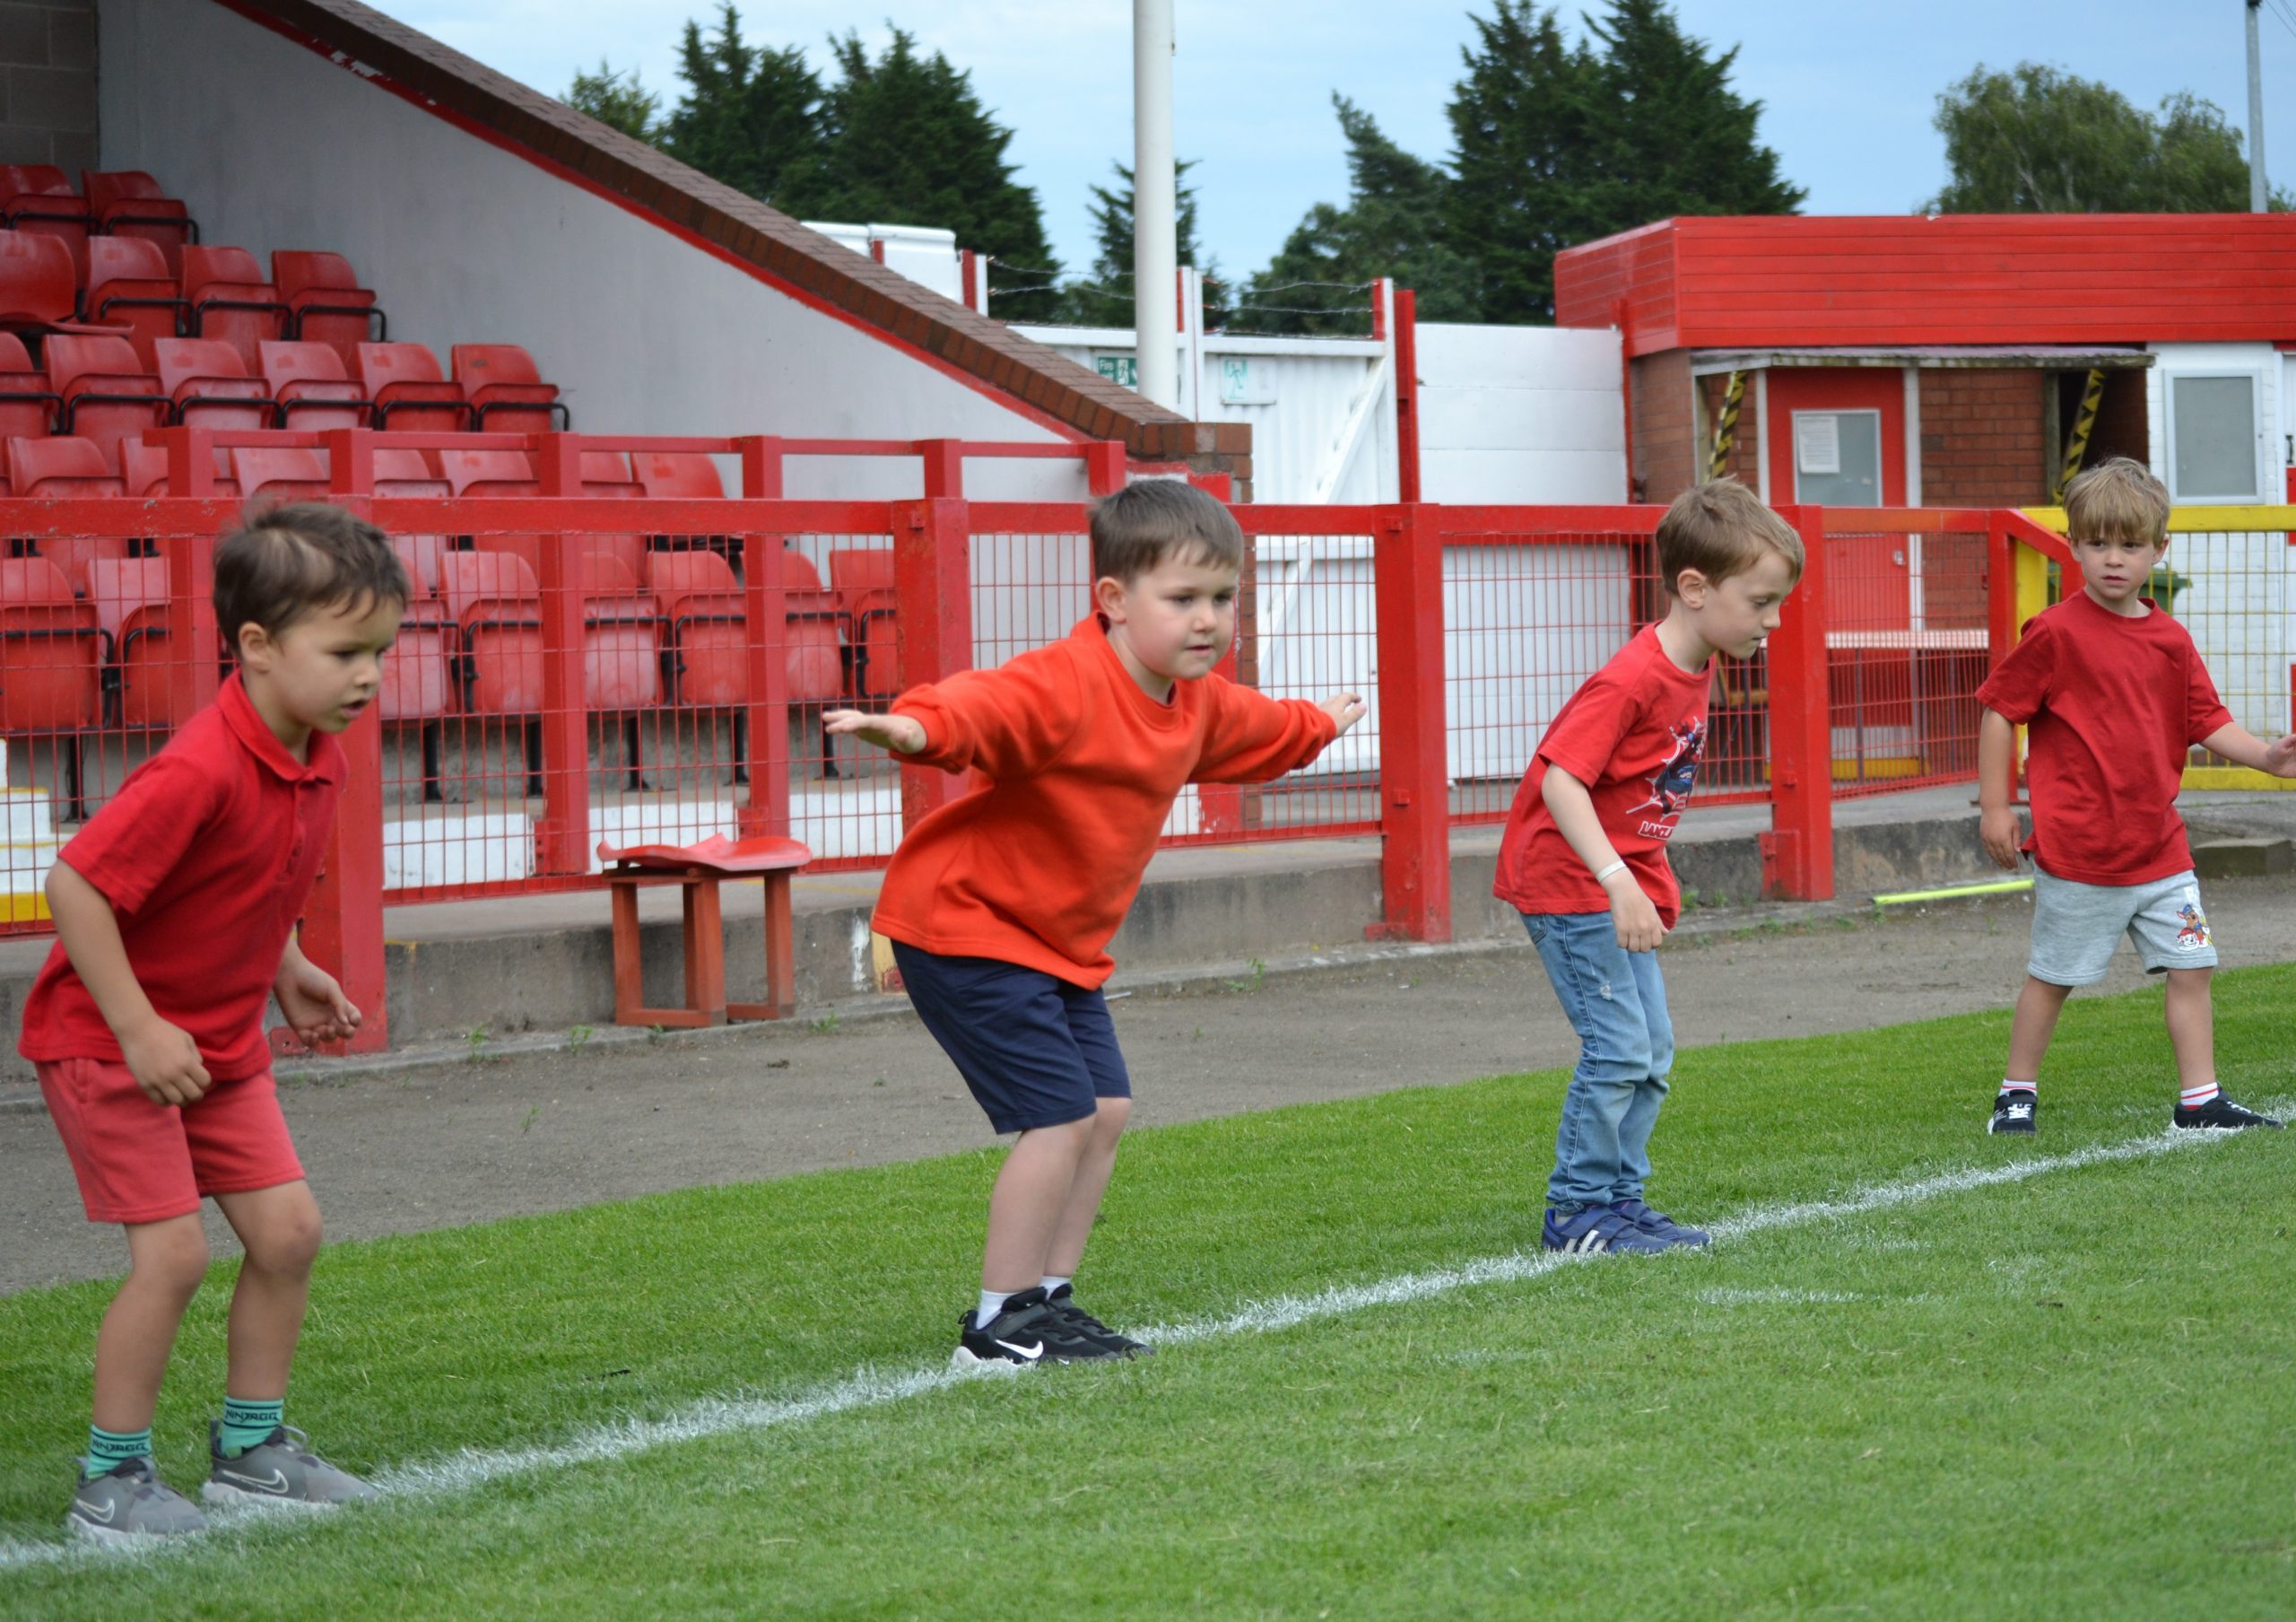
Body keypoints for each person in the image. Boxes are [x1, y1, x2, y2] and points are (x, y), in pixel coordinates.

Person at [824, 479, 1364, 1365]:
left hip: (1057, 945)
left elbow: (1262, 728)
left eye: (1222, 598)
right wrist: (915, 729)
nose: (1208, 619)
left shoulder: (1194, 701)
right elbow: (982, 708)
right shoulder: (1067, 682)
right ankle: (997, 1326)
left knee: (1106, 1107)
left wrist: (1318, 727)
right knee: (1061, 1116)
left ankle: (1048, 1300)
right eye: (1182, 598)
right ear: (1112, 600)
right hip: (961, 925)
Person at [23, 504, 406, 1542]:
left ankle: (253, 1451)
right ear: (256, 646)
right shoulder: (197, 765)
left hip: (221, 1043)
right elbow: (75, 888)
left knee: (290, 1233)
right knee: (175, 1256)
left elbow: (247, 879)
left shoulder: (316, 743)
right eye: (344, 651)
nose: (368, 674)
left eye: (380, 650)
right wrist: (142, 1027)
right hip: (114, 1043)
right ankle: (112, 1479)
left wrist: (287, 966)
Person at [1493, 479, 1804, 1254]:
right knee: (1620, 1049)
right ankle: (1575, 1213)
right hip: (1568, 885)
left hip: (1613, 883)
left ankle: (1620, 1203)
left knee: (1652, 1052)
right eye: (1762, 601)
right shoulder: (1633, 677)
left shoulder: (1696, 665)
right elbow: (1560, 780)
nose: (1774, 620)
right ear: (1694, 589)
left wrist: (1644, 873)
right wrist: (1618, 880)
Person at [1976, 457, 2296, 1136]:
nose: (2112, 559)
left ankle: (2200, 1101)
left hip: (2161, 852)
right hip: (2080, 853)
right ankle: (2016, 1092)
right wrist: (1999, 807)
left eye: (2129, 545)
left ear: (2160, 549)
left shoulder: (2171, 641)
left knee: (2194, 966)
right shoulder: (2055, 633)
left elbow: (2208, 720)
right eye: (2097, 544)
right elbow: (2000, 711)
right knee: (2053, 978)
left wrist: (2269, 758)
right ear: (2074, 546)